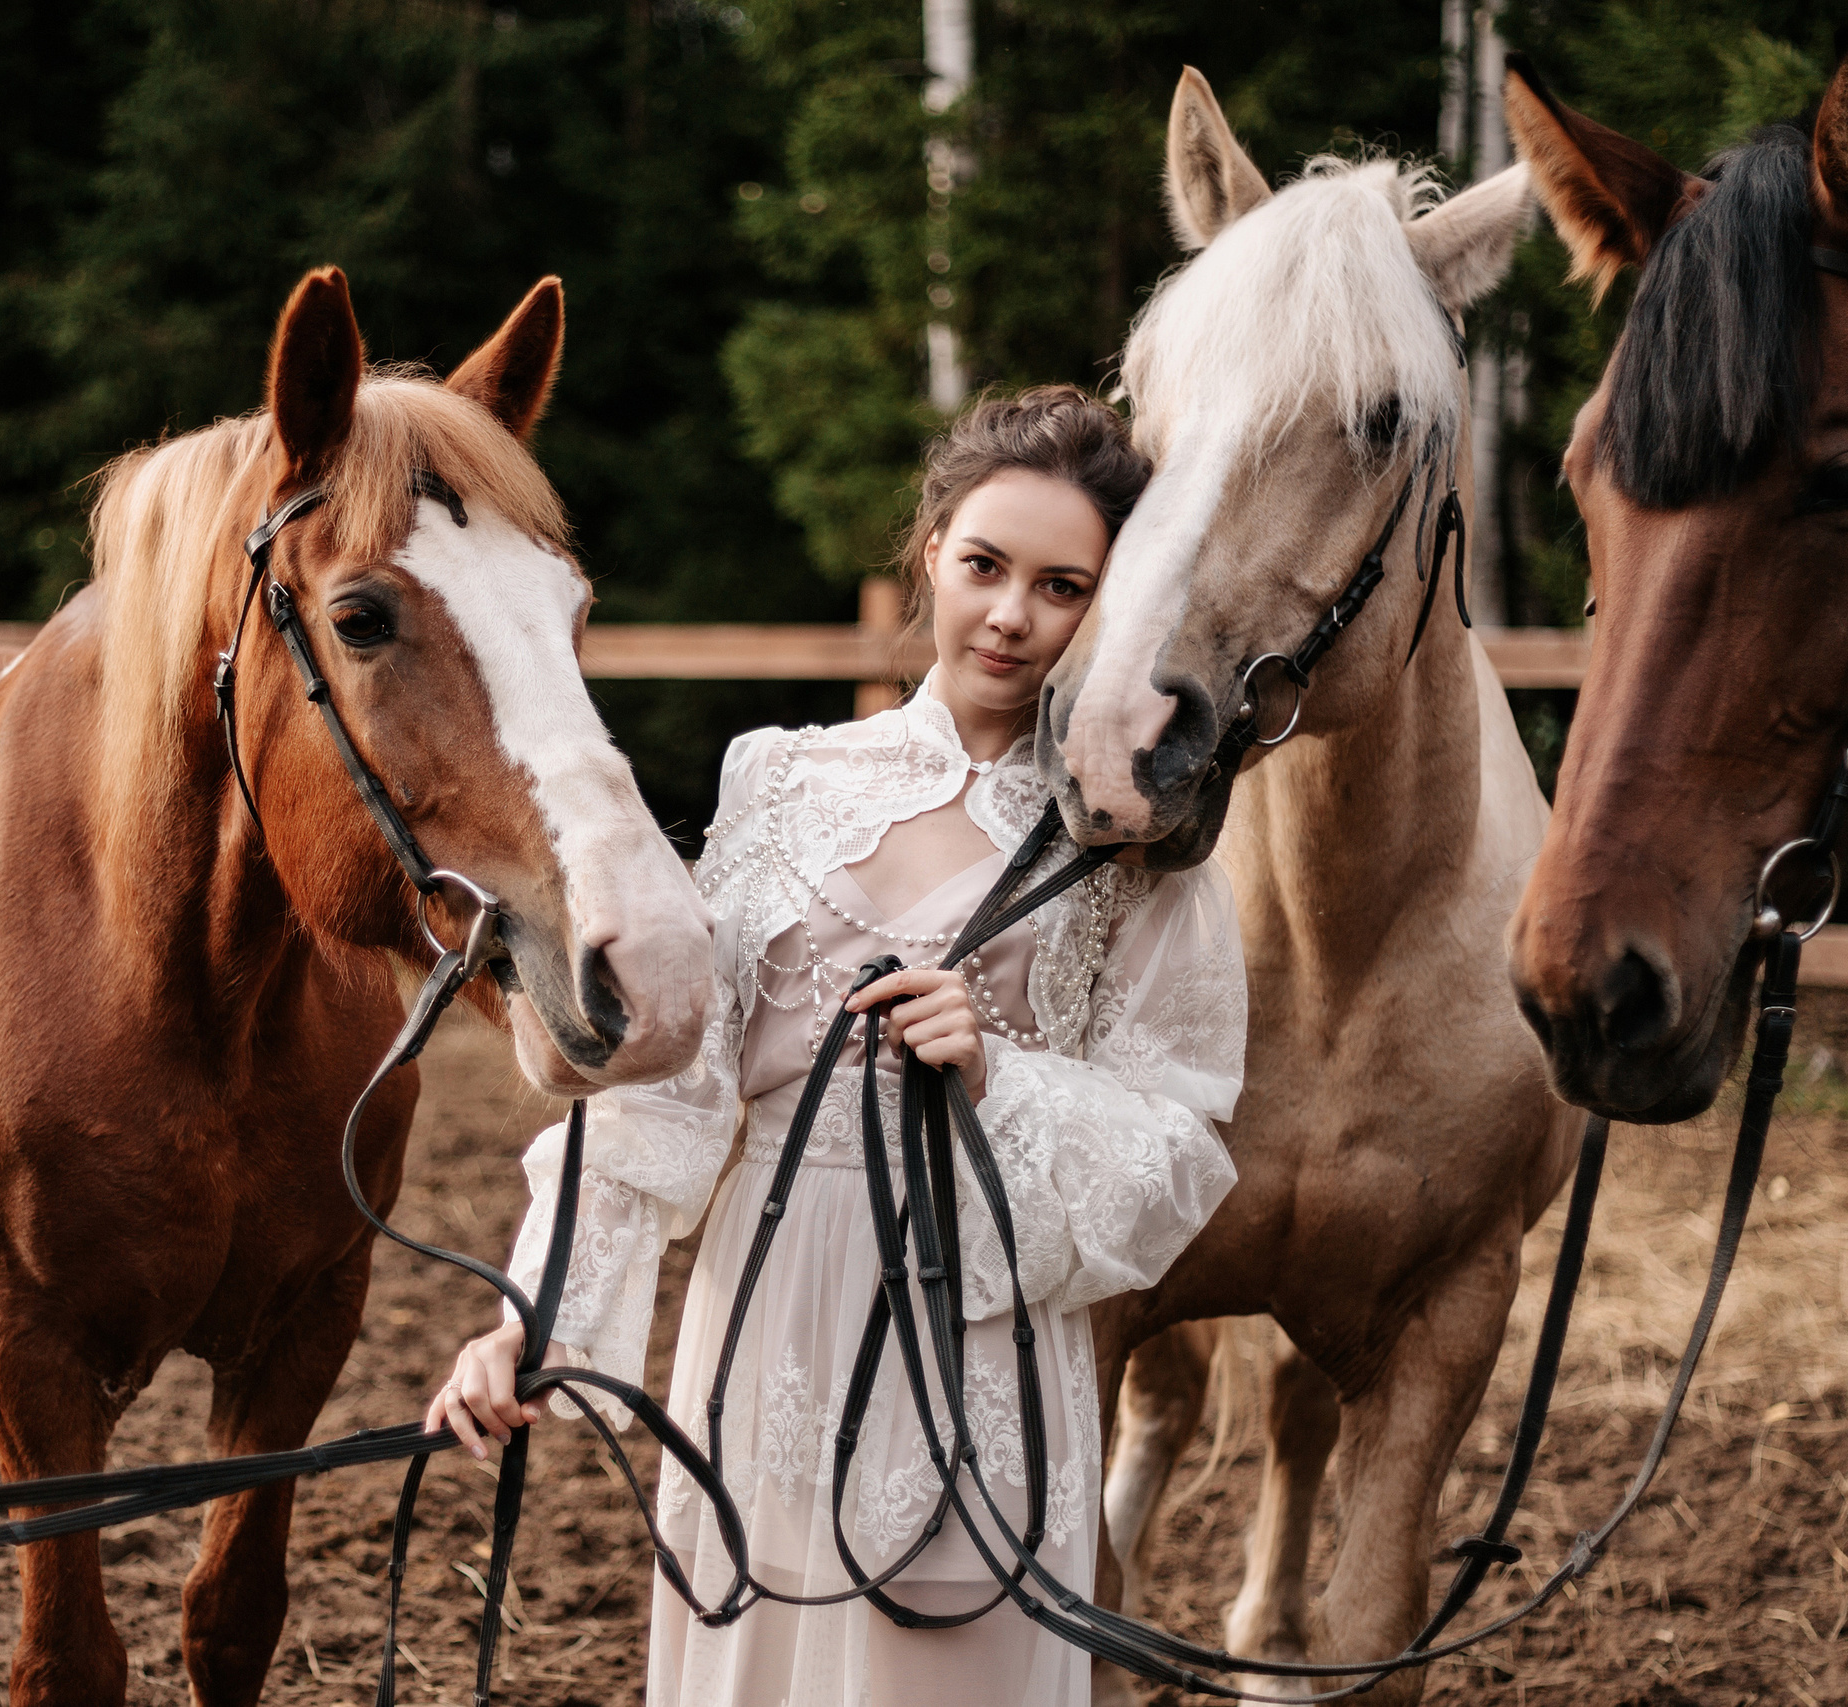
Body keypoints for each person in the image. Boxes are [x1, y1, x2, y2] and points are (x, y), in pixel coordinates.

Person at [428, 384, 1245, 1707]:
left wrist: (1002, 1075)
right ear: (932, 552)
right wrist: (538, 1322)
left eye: (1061, 586)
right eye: (985, 566)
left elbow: (1180, 1148)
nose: (1010, 615)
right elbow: (666, 1097)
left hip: (978, 1331)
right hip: (765, 1314)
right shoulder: (780, 777)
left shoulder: (1130, 847)